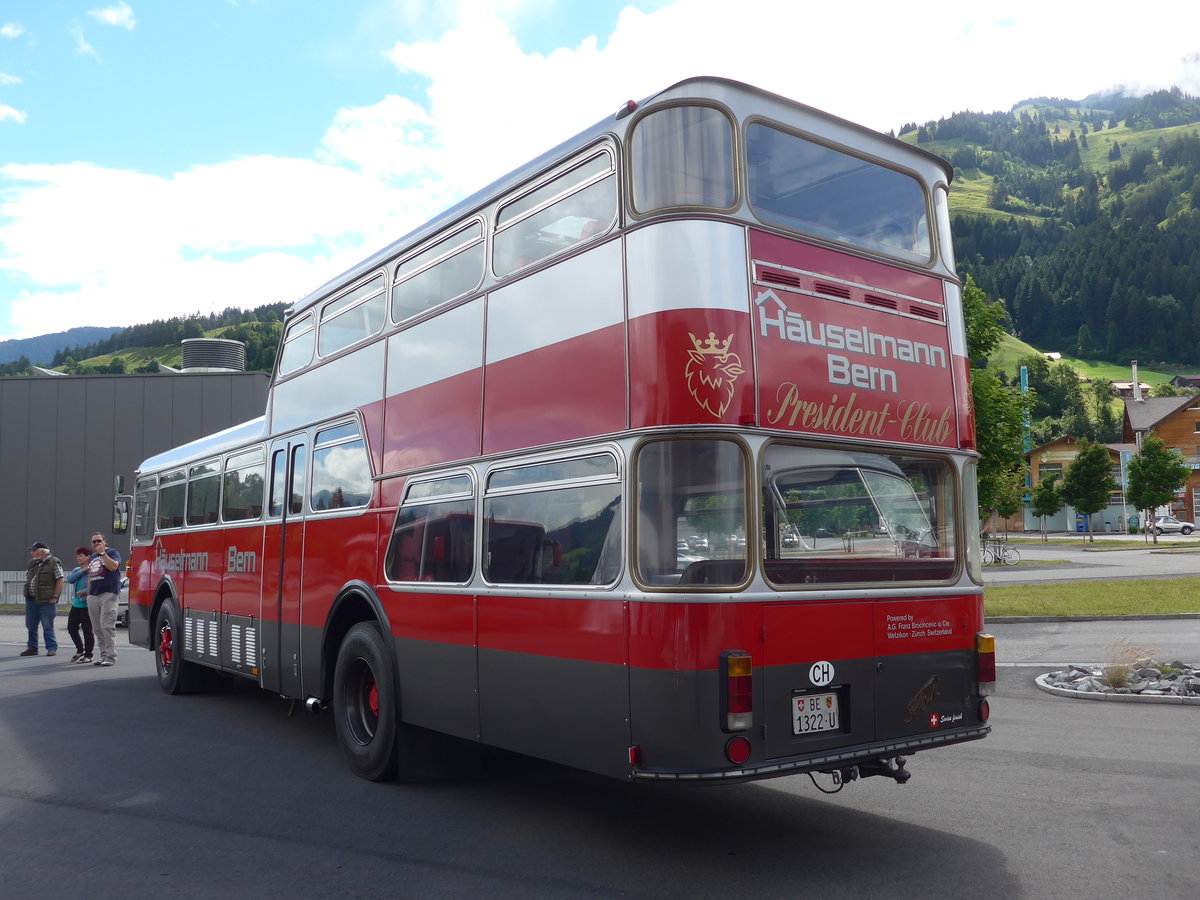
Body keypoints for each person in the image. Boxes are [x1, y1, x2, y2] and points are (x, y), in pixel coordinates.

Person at [86, 532, 122, 667]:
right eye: (94, 542)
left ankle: (111, 656)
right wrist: (89, 594)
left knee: (107, 625)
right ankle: (103, 655)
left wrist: (103, 554)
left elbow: (113, 567)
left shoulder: (112, 552)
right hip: (94, 595)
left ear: (104, 542)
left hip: (109, 593)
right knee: (97, 628)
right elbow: (90, 576)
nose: (96, 544)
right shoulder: (92, 558)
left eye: (99, 541)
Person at [22, 541, 63, 657]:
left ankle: (51, 648)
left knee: (47, 626)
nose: (32, 553)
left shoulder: (54, 562)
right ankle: (32, 647)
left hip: (47, 601)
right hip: (31, 600)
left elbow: (60, 580)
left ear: (42, 551)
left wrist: (55, 597)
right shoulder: (32, 563)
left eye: (34, 550)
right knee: (30, 625)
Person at [65, 545, 95, 663]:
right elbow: (70, 579)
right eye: (77, 556)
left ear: (88, 556)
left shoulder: (93, 570)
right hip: (76, 604)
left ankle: (88, 655)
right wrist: (83, 570)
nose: (78, 558)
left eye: (81, 556)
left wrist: (83, 592)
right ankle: (80, 649)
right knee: (71, 628)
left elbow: (93, 585)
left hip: (86, 604)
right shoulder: (77, 570)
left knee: (87, 630)